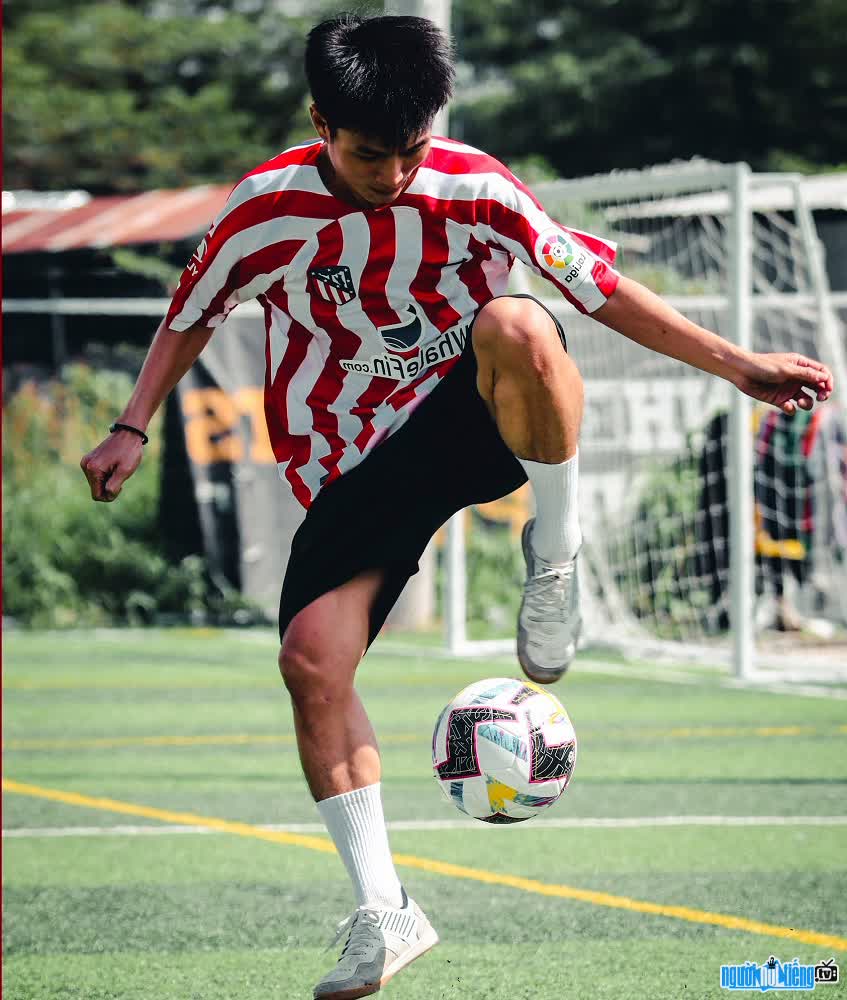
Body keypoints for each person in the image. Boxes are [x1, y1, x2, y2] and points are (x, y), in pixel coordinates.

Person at [80, 13, 834, 999]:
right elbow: (190, 312)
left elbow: (596, 288)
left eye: (411, 150)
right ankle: (386, 914)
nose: (393, 173)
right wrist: (132, 424)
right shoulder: (263, 210)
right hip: (349, 461)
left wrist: (739, 365)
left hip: (462, 417)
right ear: (320, 122)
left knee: (520, 319)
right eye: (365, 153)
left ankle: (552, 559)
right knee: (311, 664)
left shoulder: (477, 186)